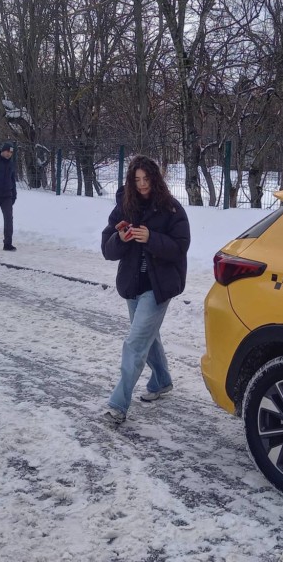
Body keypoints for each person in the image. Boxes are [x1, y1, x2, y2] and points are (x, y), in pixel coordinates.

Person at [100, 155, 190, 424]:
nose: (142, 184)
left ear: (155, 179)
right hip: (132, 284)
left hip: (158, 286)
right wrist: (121, 238)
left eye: (146, 179)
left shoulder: (171, 208)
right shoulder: (124, 206)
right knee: (148, 336)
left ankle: (118, 405)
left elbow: (180, 247)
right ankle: (161, 380)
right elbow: (107, 249)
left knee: (136, 342)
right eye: (137, 180)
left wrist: (151, 238)